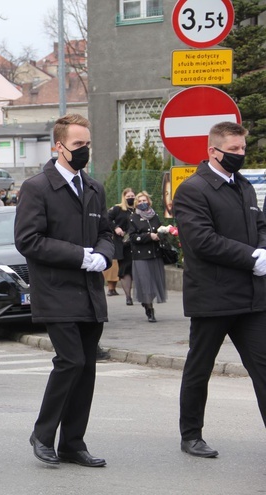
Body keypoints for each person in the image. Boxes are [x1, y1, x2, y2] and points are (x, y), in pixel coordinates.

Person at [14, 114, 113, 468]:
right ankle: (43, 434)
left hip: (90, 292)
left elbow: (106, 231)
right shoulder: (37, 187)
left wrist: (103, 254)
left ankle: (73, 442)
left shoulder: (94, 188)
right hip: (56, 292)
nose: (85, 150)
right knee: (70, 361)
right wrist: (79, 256)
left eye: (87, 144)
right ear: (59, 147)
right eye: (78, 145)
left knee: (86, 368)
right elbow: (28, 240)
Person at [174, 121, 266, 458]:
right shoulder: (193, 190)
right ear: (213, 151)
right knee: (200, 368)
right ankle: (191, 435)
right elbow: (201, 242)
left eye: (243, 149)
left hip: (251, 296)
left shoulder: (244, 187)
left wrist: (262, 251)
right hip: (212, 296)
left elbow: (261, 227)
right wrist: (252, 256)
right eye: (233, 150)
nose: (240, 155)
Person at [128, 191, 167, 322]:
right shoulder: (133, 218)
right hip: (141, 256)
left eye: (144, 201)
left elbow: (160, 229)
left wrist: (164, 233)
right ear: (136, 203)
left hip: (156, 254)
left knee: (155, 282)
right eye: (139, 201)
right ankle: (149, 309)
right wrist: (148, 236)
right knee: (146, 284)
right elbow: (132, 237)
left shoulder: (155, 216)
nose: (142, 203)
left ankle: (147, 302)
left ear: (149, 202)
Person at [107, 188, 136, 305]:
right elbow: (107, 218)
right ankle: (128, 297)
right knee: (125, 269)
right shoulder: (117, 209)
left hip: (136, 243)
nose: (130, 198)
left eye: (132, 195)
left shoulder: (137, 209)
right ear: (124, 197)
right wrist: (115, 228)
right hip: (122, 244)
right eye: (128, 196)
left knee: (136, 269)